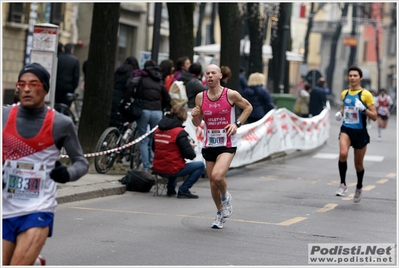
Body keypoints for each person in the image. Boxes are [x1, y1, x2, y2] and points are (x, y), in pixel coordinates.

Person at [2, 62, 89, 265]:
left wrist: (67, 174)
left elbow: (81, 162)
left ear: (45, 88)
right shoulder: (4, 116)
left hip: (38, 207)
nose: (26, 89)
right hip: (5, 206)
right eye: (21, 84)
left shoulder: (61, 123)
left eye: (33, 84)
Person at [191, 64, 253, 229]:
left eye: (213, 73)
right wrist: (195, 117)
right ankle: (220, 212)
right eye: (207, 73)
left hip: (227, 143)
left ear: (220, 76)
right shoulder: (200, 97)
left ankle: (226, 198)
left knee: (217, 176)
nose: (210, 76)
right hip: (210, 143)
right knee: (212, 183)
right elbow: (197, 123)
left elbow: (248, 107)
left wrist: (236, 124)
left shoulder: (230, 94)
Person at [334, 66, 377, 203]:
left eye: (355, 76)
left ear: (360, 78)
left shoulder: (366, 94)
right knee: (343, 154)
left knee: (358, 164)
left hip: (360, 132)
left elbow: (375, 116)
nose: (352, 78)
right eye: (350, 76)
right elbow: (344, 107)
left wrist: (363, 109)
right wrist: (340, 113)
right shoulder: (344, 93)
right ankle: (343, 184)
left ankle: (359, 185)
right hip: (346, 129)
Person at [124, 60, 171, 172]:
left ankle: (146, 167)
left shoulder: (141, 77)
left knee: (143, 139)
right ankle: (155, 164)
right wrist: (162, 107)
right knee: (155, 139)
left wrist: (127, 101)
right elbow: (167, 97)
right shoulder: (159, 79)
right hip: (157, 111)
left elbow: (131, 86)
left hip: (144, 109)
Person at [152, 104, 205, 198]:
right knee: (200, 165)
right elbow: (190, 155)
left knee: (172, 160)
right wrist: (189, 145)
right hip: (171, 169)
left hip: (157, 168)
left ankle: (171, 189)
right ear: (183, 117)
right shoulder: (179, 132)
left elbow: (153, 148)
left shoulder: (158, 129)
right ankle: (183, 189)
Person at [109, 56, 140, 127]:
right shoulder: (133, 72)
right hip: (123, 95)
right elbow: (129, 86)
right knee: (121, 115)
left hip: (114, 94)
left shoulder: (119, 70)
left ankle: (111, 131)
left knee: (113, 114)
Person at [55, 43, 80, 107]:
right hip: (69, 87)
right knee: (66, 106)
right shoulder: (75, 60)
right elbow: (76, 76)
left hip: (58, 86)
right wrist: (74, 86)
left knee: (56, 105)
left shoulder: (58, 58)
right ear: (71, 50)